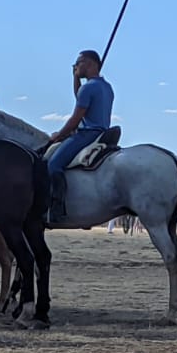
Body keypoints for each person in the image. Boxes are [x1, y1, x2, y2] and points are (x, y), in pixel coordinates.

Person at [41, 49, 115, 224]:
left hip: (87, 134)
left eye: (78, 62)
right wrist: (75, 78)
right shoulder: (106, 87)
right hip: (103, 132)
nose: (76, 66)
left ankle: (57, 208)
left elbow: (75, 119)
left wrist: (59, 135)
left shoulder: (88, 88)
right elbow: (80, 97)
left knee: (53, 164)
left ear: (89, 64)